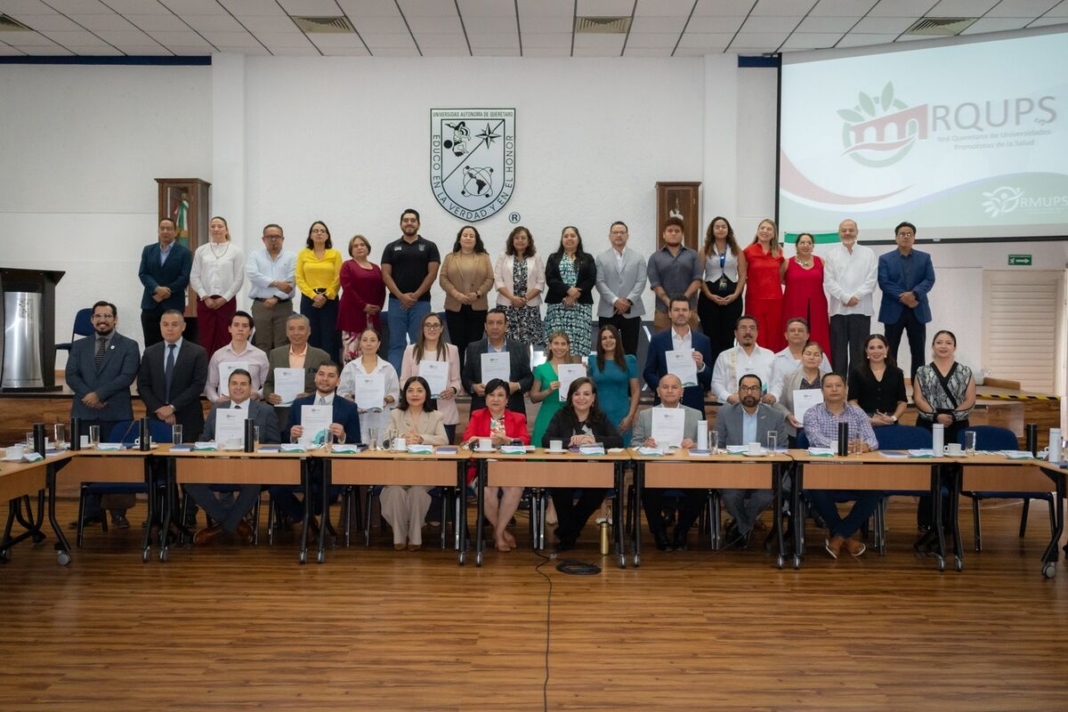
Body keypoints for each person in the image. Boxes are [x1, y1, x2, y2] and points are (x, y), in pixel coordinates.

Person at [65, 300, 140, 529]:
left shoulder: (129, 345)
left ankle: (118, 512)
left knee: (117, 465)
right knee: (88, 463)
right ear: (92, 320)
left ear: (115, 319)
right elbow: (71, 375)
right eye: (98, 316)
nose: (102, 320)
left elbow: (126, 376)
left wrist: (98, 394)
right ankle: (91, 512)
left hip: (115, 413)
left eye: (107, 315)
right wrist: (88, 395)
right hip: (85, 412)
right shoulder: (78, 346)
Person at [186, 369, 281, 546]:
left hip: (251, 468)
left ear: (251, 387)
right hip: (219, 466)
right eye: (234, 384)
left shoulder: (265, 411)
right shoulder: (217, 408)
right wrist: (211, 443)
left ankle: (220, 528)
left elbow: (275, 444)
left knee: (255, 482)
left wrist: (257, 447)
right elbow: (204, 439)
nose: (238, 388)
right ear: (228, 387)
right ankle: (236, 524)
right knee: (190, 481)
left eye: (243, 384)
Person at [272, 361, 361, 544]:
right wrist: (292, 435)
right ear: (315, 377)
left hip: (331, 467)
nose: (325, 379)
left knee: (327, 490)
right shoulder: (299, 403)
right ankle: (306, 519)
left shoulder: (348, 407)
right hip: (301, 464)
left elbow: (356, 442)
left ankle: (305, 519)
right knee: (275, 487)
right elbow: (286, 437)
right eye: (321, 374)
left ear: (338, 381)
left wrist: (343, 435)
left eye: (330, 376)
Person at [802, 373, 880, 559]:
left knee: (877, 489)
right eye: (829, 386)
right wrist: (843, 445)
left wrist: (865, 446)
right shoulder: (812, 413)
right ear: (822, 391)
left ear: (845, 390)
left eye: (838, 385)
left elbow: (873, 440)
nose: (834, 389)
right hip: (824, 471)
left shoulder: (857, 413)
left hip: (854, 472)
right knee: (813, 487)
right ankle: (846, 537)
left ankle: (838, 537)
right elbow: (816, 440)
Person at [542, 377, 623, 552]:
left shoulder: (601, 418)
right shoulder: (561, 415)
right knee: (560, 489)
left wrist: (594, 439)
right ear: (570, 397)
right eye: (577, 393)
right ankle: (570, 533)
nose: (581, 398)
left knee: (598, 490)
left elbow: (618, 440)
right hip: (565, 471)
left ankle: (567, 532)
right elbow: (546, 440)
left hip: (593, 472)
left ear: (593, 398)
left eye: (586, 394)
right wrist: (569, 441)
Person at [715, 374, 789, 548]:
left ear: (761, 393)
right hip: (734, 471)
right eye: (745, 388)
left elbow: (782, 447)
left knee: (764, 497)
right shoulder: (725, 413)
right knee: (731, 497)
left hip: (762, 473)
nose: (749, 392)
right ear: (738, 391)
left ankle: (740, 528)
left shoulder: (775, 416)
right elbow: (718, 445)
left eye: (754, 388)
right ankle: (746, 527)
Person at [632, 374, 704, 551]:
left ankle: (682, 531)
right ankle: (659, 534)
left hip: (686, 470)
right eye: (665, 387)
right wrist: (645, 444)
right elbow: (634, 444)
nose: (670, 390)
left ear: (682, 392)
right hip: (656, 470)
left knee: (701, 491)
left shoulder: (696, 414)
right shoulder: (646, 415)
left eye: (674, 387)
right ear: (658, 391)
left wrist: (695, 445)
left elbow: (704, 446)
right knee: (648, 490)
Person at [379, 376, 451, 551]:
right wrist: (401, 438)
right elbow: (386, 441)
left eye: (419, 390)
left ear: (427, 394)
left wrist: (421, 438)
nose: (415, 394)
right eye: (410, 390)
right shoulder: (396, 414)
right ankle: (399, 534)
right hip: (399, 469)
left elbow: (444, 440)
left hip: (425, 470)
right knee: (394, 491)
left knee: (418, 491)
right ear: (405, 394)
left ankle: (415, 535)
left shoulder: (435, 416)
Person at [462, 378, 531, 552]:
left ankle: (498, 533)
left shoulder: (518, 417)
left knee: (514, 489)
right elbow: (467, 439)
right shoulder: (477, 415)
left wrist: (507, 440)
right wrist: (489, 440)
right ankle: (502, 533)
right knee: (487, 490)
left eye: (501, 395)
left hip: (511, 468)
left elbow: (525, 440)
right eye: (491, 395)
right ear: (485, 399)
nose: (496, 399)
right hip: (481, 469)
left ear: (507, 400)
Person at [382, 209, 441, 373]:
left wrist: (415, 296)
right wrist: (401, 296)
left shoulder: (429, 246)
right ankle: (394, 384)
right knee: (396, 344)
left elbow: (433, 274)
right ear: (401, 224)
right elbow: (385, 274)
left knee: (419, 342)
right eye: (406, 220)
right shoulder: (391, 247)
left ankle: (419, 381)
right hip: (396, 302)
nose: (409, 223)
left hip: (421, 303)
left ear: (418, 224)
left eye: (412, 220)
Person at [137, 309, 208, 442]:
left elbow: (197, 385)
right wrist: (159, 409)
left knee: (185, 461)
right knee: (155, 461)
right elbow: (143, 385)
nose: (169, 328)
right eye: (165, 324)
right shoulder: (150, 352)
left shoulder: (198, 352)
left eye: (174, 324)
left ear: (183, 327)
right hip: (156, 417)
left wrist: (171, 408)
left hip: (187, 418)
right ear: (160, 326)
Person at [878, 221, 936, 383]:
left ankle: (919, 388)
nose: (905, 237)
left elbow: (929, 279)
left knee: (918, 352)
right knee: (890, 353)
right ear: (896, 238)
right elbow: (884, 282)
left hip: (917, 310)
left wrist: (914, 294)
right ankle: (892, 388)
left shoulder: (925, 258)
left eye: (909, 234)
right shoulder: (885, 259)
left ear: (914, 238)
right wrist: (904, 297)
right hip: (893, 311)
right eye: (902, 234)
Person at [824, 219, 876, 376]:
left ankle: (856, 392)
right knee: (838, 354)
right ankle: (838, 388)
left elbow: (872, 279)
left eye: (851, 230)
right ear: (839, 233)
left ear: (857, 232)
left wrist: (857, 296)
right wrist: (845, 298)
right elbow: (829, 281)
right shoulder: (832, 254)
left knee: (859, 354)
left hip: (862, 310)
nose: (847, 233)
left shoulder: (868, 253)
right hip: (839, 310)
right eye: (844, 230)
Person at [401, 312, 463, 443]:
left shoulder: (452, 350)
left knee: (444, 455)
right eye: (428, 325)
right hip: (417, 409)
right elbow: (403, 380)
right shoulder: (410, 350)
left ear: (441, 329)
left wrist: (452, 389)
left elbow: (456, 380)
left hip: (444, 409)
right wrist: (414, 390)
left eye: (435, 325)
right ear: (422, 329)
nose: (432, 329)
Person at [644, 295, 712, 413]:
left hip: (694, 404)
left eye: (684, 310)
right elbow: (648, 373)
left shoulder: (703, 341)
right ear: (669, 313)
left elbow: (709, 379)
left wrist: (701, 367)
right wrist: (664, 387)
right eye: (676, 310)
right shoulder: (657, 340)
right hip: (664, 403)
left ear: (690, 313)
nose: (681, 313)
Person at [263, 313, 332, 428]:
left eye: (301, 328)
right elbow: (269, 383)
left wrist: (310, 396)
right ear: (286, 332)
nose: (296, 333)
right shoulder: (276, 354)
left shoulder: (322, 356)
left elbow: (328, 387)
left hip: (312, 416)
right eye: (291, 329)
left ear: (309, 331)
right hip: (282, 417)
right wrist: (269, 395)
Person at [440, 225, 494, 371]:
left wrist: (477, 293)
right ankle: (458, 379)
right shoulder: (450, 257)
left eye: (471, 236)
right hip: (454, 307)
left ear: (476, 240)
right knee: (458, 345)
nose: (468, 238)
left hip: (478, 307)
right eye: (465, 235)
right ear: (459, 239)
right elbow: (443, 279)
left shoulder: (484, 257)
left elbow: (490, 279)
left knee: (474, 345)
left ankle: (472, 378)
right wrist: (457, 294)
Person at [189, 215, 245, 359]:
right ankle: (205, 373)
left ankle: (225, 371)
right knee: (205, 337)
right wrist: (205, 296)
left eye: (220, 226)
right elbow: (194, 276)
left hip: (226, 302)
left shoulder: (235, 251)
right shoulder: (201, 251)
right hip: (205, 301)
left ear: (226, 229)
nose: (216, 229)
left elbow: (238, 279)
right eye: (213, 226)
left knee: (225, 336)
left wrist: (224, 298)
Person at [462, 307, 533, 415]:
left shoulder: (519, 348)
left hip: (513, 409)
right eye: (491, 323)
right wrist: (474, 387)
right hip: (481, 410)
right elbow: (466, 378)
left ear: (506, 326)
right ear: (485, 326)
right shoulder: (474, 348)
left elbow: (528, 377)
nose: (495, 327)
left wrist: (517, 385)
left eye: (499, 323)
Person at [697, 216, 747, 365]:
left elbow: (743, 274)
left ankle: (728, 371)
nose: (720, 229)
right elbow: (699, 275)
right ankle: (711, 375)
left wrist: (736, 295)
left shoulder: (737, 250)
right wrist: (709, 295)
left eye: (723, 226)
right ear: (712, 230)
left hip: (732, 297)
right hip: (709, 298)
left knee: (728, 337)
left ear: (728, 230)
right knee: (711, 337)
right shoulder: (705, 249)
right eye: (717, 227)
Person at [594, 220, 647, 355]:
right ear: (610, 236)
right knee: (606, 349)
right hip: (607, 309)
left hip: (632, 310)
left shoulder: (638, 257)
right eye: (615, 232)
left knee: (630, 350)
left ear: (627, 236)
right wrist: (615, 300)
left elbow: (641, 281)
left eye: (622, 232)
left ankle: (630, 376)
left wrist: (628, 301)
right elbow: (599, 282)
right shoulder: (601, 258)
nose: (619, 235)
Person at [339, 327, 399, 445]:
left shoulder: (388, 368)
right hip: (357, 416)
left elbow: (395, 394)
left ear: (379, 344)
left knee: (380, 452)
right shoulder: (350, 367)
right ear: (360, 343)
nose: (368, 344)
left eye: (373, 340)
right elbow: (342, 392)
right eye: (365, 340)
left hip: (381, 417)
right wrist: (352, 400)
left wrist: (385, 400)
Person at [912, 330, 975, 443]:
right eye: (939, 342)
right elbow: (918, 398)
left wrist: (952, 416)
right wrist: (936, 416)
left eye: (948, 343)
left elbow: (970, 399)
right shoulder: (922, 371)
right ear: (933, 346)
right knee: (927, 458)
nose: (943, 346)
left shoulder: (965, 371)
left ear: (954, 347)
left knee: (957, 459)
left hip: (957, 424)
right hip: (928, 424)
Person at [544, 225, 596, 358]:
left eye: (572, 235)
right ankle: (554, 377)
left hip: (581, 307)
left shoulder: (587, 258)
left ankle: (576, 378)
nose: (569, 238)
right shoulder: (553, 257)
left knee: (577, 346)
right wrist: (568, 290)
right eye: (566, 236)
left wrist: (574, 295)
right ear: (561, 240)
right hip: (557, 308)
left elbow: (591, 279)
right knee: (557, 344)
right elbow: (550, 279)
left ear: (578, 239)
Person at [138, 217, 191, 348]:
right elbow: (143, 273)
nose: (165, 231)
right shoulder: (148, 250)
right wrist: (156, 288)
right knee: (150, 345)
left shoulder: (185, 253)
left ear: (175, 232)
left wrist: (166, 291)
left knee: (172, 344)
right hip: (151, 304)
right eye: (162, 228)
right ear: (158, 231)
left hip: (173, 304)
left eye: (169, 229)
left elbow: (184, 277)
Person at [295, 220, 343, 360]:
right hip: (309, 299)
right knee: (311, 335)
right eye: (315, 231)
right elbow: (299, 277)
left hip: (330, 300)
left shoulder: (335, 254)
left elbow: (338, 277)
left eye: (322, 231)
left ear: (327, 236)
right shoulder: (303, 254)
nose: (319, 233)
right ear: (310, 236)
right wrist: (313, 296)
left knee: (330, 336)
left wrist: (325, 296)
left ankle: (331, 369)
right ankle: (313, 371)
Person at [246, 222, 297, 353]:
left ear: (283, 239)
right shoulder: (255, 256)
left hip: (283, 306)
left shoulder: (292, 257)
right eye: (269, 236)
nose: (273, 239)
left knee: (283, 344)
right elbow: (253, 275)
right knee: (262, 344)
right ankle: (264, 374)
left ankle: (279, 374)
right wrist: (277, 283)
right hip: (261, 305)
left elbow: (291, 281)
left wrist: (276, 298)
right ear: (263, 239)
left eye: (277, 236)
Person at [780, 232, 831, 359]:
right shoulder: (787, 263)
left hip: (817, 306)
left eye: (809, 243)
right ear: (796, 246)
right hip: (793, 305)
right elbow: (781, 280)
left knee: (819, 335)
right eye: (802, 242)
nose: (805, 245)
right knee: (794, 335)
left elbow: (829, 280)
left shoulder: (821, 262)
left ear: (813, 246)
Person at [494, 225, 545, 349]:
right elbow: (498, 279)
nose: (520, 240)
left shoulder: (536, 257)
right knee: (506, 342)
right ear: (512, 240)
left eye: (523, 238)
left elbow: (540, 282)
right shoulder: (503, 256)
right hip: (507, 305)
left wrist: (524, 300)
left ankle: (525, 367)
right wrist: (513, 298)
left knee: (526, 343)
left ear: (528, 241)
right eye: (516, 238)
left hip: (529, 307)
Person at [588, 324, 640, 446]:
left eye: (611, 337)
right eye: (604, 338)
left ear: (617, 339)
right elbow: (588, 389)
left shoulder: (629, 360)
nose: (608, 341)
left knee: (622, 454)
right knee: (600, 454)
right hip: (598, 415)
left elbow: (636, 391)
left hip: (622, 415)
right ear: (600, 342)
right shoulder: (592, 361)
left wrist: (630, 417)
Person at [647, 216, 702, 332]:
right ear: (664, 234)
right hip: (663, 310)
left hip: (689, 309)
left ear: (682, 234)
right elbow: (655, 285)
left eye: (677, 231)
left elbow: (697, 280)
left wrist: (682, 301)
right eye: (670, 231)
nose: (673, 233)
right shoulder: (655, 257)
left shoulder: (693, 255)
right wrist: (670, 303)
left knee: (691, 345)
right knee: (663, 346)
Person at [337, 234, 385, 363]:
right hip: (352, 315)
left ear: (368, 248)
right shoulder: (347, 266)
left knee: (370, 350)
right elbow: (348, 289)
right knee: (352, 353)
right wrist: (363, 306)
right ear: (351, 250)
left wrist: (378, 306)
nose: (359, 247)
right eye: (355, 246)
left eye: (362, 245)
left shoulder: (376, 268)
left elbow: (382, 289)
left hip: (372, 316)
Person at [204, 311, 269, 403]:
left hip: (251, 405)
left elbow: (267, 384)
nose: (240, 329)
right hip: (224, 406)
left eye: (245, 326)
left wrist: (258, 394)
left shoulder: (261, 355)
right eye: (236, 325)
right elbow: (209, 384)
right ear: (229, 328)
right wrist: (216, 400)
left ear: (251, 331)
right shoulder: (218, 355)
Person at [530, 331, 580, 451]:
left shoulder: (575, 368)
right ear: (550, 346)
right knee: (542, 452)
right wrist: (548, 391)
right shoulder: (541, 369)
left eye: (563, 344)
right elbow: (533, 397)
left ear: (568, 347)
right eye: (556, 343)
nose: (559, 347)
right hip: (547, 415)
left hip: (570, 415)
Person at [710, 315, 775, 407]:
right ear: (736, 333)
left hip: (763, 409)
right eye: (743, 328)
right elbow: (716, 384)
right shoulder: (724, 356)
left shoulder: (769, 355)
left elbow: (777, 382)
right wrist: (729, 397)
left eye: (752, 328)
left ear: (757, 332)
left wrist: (773, 395)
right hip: (732, 409)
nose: (748, 332)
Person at [742, 218, 785, 352]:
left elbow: (782, 277)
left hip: (776, 301)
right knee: (756, 333)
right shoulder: (748, 251)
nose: (765, 231)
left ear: (774, 234)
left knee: (774, 335)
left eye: (769, 229)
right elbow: (743, 276)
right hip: (755, 300)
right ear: (758, 231)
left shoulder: (779, 252)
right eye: (762, 228)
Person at [848, 334, 907, 428]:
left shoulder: (897, 373)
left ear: (886, 349)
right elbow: (852, 401)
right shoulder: (856, 373)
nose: (876, 351)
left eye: (880, 347)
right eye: (872, 348)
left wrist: (893, 418)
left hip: (890, 423)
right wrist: (867, 419)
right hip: (864, 423)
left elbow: (902, 402)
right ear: (866, 351)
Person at [768, 318, 831, 403]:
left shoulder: (820, 356)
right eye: (792, 330)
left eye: (800, 330)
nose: (796, 333)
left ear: (807, 335)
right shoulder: (775, 359)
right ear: (786, 335)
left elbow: (830, 380)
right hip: (786, 408)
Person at [777, 341, 827, 443]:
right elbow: (779, 403)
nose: (812, 357)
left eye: (816, 355)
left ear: (821, 359)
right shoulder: (789, 377)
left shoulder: (827, 379)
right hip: (794, 429)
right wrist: (788, 415)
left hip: (823, 430)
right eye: (808, 354)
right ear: (802, 356)